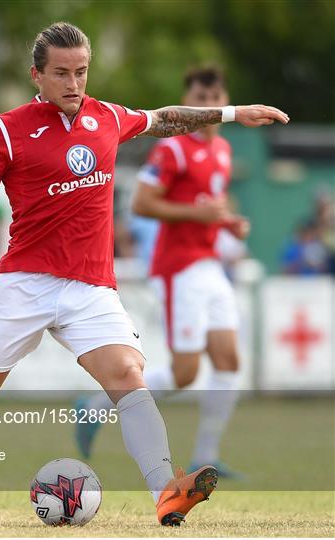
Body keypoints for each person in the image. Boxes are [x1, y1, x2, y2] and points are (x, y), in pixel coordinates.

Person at [0, 23, 289, 526]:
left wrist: (231, 113)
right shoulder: (10, 129)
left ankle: (166, 490)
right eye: (62, 73)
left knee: (128, 376)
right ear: (38, 75)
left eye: (82, 72)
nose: (74, 83)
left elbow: (165, 118)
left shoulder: (108, 117)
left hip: (90, 288)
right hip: (24, 284)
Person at [76, 66, 250, 479]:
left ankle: (205, 456)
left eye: (214, 98)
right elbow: (141, 204)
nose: (208, 106)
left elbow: (209, 204)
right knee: (185, 373)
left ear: (224, 99)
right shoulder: (172, 149)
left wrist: (227, 223)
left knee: (228, 361)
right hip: (180, 269)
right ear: (189, 101)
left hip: (210, 265)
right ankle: (96, 404)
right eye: (200, 99)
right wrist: (199, 213)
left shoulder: (222, 150)